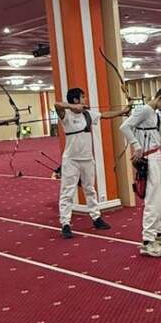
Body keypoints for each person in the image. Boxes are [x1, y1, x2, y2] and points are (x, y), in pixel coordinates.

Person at [119, 87, 161, 257]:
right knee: (153, 200)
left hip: (156, 158)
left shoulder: (155, 115)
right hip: (148, 160)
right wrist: (136, 146)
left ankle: (160, 232)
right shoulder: (144, 110)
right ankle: (148, 241)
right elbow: (125, 127)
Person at [55, 88, 130, 238]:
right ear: (75, 100)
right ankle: (65, 224)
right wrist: (73, 107)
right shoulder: (66, 115)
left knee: (90, 189)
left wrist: (122, 112)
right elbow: (57, 104)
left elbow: (105, 115)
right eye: (83, 97)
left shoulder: (88, 114)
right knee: (67, 192)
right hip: (71, 159)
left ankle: (96, 218)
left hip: (87, 159)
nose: (85, 99)